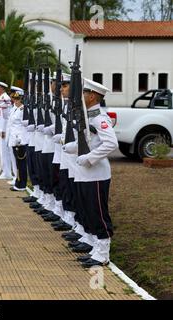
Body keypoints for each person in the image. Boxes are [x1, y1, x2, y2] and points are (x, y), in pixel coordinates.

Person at [68, 79, 118, 268]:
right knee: (88, 211)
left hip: (96, 174)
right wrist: (72, 147)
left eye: (83, 93)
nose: (79, 96)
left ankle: (103, 253)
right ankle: (95, 247)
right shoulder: (88, 116)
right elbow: (89, 141)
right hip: (85, 173)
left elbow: (111, 144)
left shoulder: (99, 118)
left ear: (92, 96)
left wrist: (90, 158)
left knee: (98, 213)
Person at [7, 87, 28, 191]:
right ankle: (18, 181)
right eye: (14, 99)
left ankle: (21, 184)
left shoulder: (23, 110)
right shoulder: (14, 108)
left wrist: (19, 139)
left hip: (20, 140)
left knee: (21, 163)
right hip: (13, 139)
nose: (15, 101)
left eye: (18, 99)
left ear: (22, 99)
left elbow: (24, 126)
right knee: (17, 163)